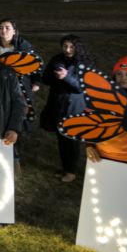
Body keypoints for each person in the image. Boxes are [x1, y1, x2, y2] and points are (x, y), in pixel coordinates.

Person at [40, 34, 94, 182]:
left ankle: (71, 172)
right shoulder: (57, 59)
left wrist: (66, 77)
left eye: (71, 46)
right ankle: (66, 168)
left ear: (78, 48)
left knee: (71, 141)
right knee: (61, 139)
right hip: (57, 105)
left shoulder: (84, 63)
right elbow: (45, 79)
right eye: (65, 46)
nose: (68, 49)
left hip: (74, 107)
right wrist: (53, 75)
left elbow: (81, 87)